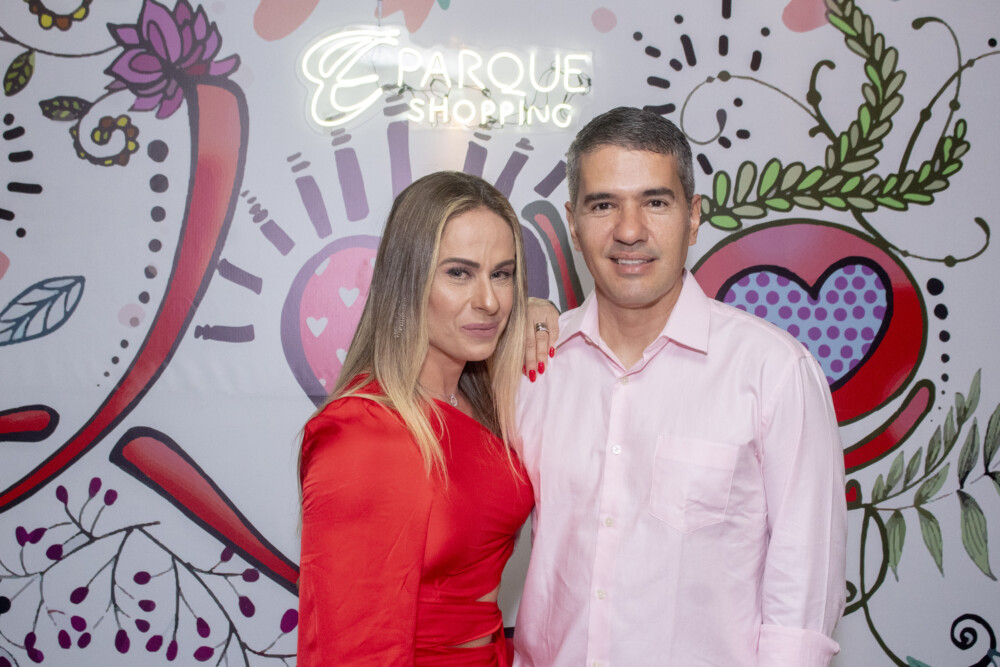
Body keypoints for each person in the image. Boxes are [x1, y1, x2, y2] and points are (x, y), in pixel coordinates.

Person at [514, 107, 847, 666]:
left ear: (693, 217)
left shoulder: (773, 372)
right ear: (572, 222)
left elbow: (803, 606)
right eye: (603, 205)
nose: (629, 231)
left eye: (655, 202)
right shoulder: (534, 367)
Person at [297, 171, 534, 666]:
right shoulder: (362, 433)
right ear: (408, 282)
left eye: (502, 274)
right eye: (459, 273)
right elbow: (352, 648)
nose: (490, 301)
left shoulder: (484, 401)